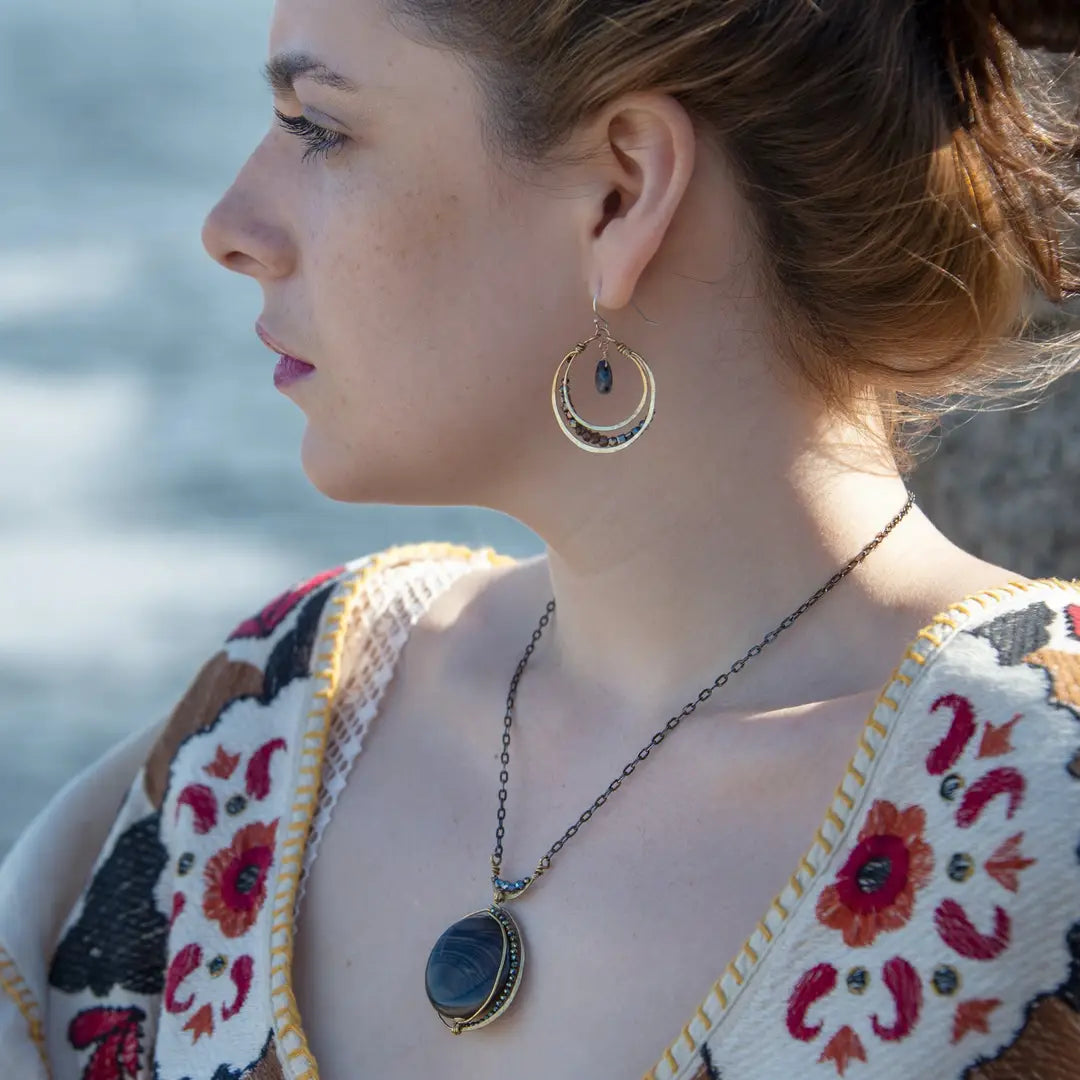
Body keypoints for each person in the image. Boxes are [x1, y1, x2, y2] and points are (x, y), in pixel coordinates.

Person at [2, 1, 1080, 1077]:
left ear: (621, 194)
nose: (229, 225)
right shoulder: (271, 721)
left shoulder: (1046, 798)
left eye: (318, 128)